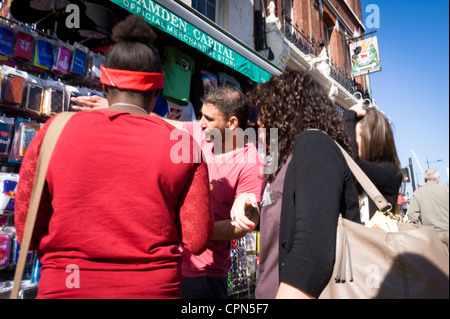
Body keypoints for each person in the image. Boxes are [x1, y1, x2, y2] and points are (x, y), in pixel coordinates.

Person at [14, 15, 214, 299]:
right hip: (150, 290)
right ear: (158, 92)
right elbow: (196, 240)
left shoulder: (54, 130)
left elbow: (27, 232)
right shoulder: (182, 143)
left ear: (105, 87)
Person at [72, 86, 265, 299]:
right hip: (172, 263)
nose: (201, 122)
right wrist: (119, 107)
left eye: (208, 119)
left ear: (232, 124)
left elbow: (240, 226)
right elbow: (160, 121)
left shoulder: (251, 163)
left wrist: (190, 231)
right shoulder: (203, 133)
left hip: (205, 275)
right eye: (201, 115)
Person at [242, 70, 361, 299]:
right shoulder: (286, 160)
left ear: (284, 112)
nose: (258, 122)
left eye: (264, 111)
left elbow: (313, 254)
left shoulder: (313, 144)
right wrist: (255, 213)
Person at [344, 100, 403, 223]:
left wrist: (349, 115)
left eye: (357, 136)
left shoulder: (391, 172)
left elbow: (353, 162)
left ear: (372, 139)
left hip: (375, 240)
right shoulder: (359, 173)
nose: (354, 143)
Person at [406, 169, 449, 235]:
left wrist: (422, 230)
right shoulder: (447, 190)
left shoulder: (418, 193)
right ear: (438, 179)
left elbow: (411, 215)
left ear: (424, 179)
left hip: (432, 236)